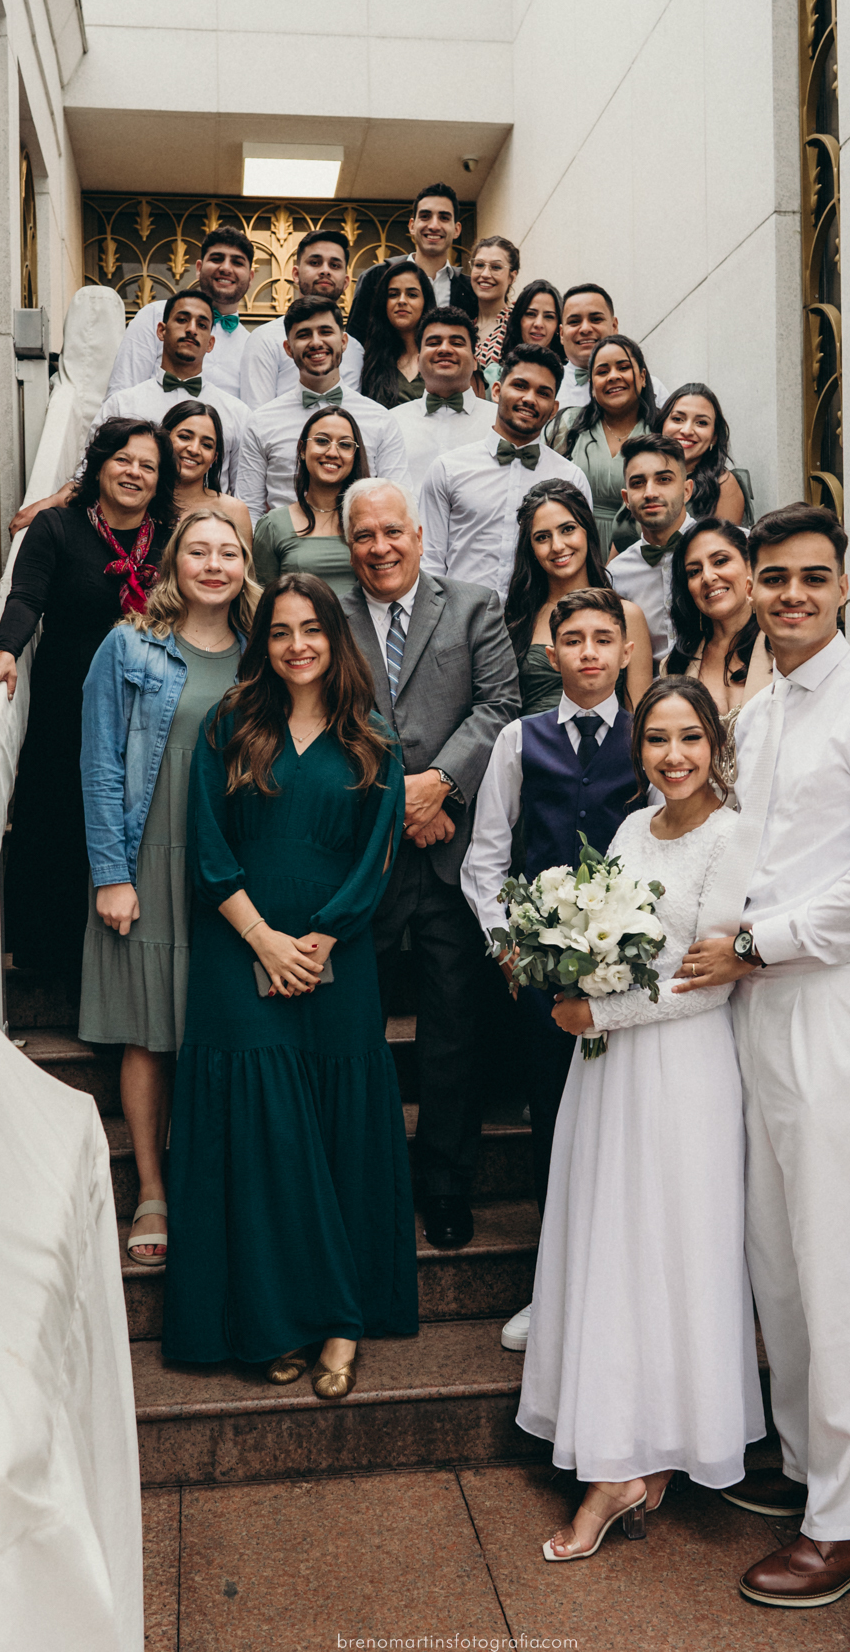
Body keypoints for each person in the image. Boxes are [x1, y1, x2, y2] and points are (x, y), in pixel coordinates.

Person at [673, 502, 850, 1609]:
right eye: (772, 576)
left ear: (842, 584)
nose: (788, 594)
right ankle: (804, 1466)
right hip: (758, 1008)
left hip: (838, 1002)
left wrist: (750, 943)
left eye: (809, 577)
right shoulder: (766, 706)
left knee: (839, 1265)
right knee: (776, 1256)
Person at [518, 675, 765, 1560]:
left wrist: (602, 1013)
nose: (673, 756)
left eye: (690, 738)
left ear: (715, 744)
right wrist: (565, 966)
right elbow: (608, 938)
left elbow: (705, 979)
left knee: (673, 1247)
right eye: (657, 739)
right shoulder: (629, 828)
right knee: (614, 1245)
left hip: (682, 1072)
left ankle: (643, 1455)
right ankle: (625, 1445)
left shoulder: (733, 838)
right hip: (609, 1077)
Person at [161, 573, 418, 1396]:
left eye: (312, 629)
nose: (297, 644)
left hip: (334, 962)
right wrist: (265, 942)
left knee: (338, 1134)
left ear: (336, 639)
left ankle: (342, 1320)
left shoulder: (375, 740)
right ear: (261, 642)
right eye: (280, 631)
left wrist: (315, 943)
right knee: (264, 1139)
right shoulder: (228, 725)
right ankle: (272, 1318)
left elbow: (374, 861)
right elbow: (207, 849)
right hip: (240, 953)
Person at [461, 588, 649, 1354]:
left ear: (627, 650)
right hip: (545, 980)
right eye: (574, 640)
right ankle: (556, 1290)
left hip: (635, 977)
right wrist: (511, 947)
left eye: (605, 639)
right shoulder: (519, 740)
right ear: (551, 653)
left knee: (633, 1130)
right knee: (555, 1128)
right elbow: (487, 857)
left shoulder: (650, 737)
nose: (591, 654)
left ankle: (634, 1287)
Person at [339, 480, 520, 1249]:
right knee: (357, 1029)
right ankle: (365, 1178)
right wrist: (397, 802)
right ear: (349, 545)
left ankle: (445, 1185)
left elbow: (500, 702)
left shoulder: (475, 604)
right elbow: (318, 711)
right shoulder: (327, 611)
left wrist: (439, 785)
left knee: (452, 1031)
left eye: (391, 532)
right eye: (364, 536)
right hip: (363, 857)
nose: (380, 548)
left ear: (419, 534)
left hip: (452, 854)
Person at [79, 507, 256, 1265]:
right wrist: (111, 874)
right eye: (199, 552)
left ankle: (208, 1182)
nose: (214, 565)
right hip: (148, 854)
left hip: (234, 866)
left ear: (248, 565)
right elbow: (99, 764)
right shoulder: (130, 647)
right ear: (173, 564)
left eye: (229, 553)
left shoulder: (264, 656)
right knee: (152, 1032)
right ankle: (151, 1189)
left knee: (219, 1031)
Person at [0, 418, 177, 972]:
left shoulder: (174, 537)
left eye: (148, 466)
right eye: (123, 459)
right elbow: (27, 595)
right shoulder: (58, 527)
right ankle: (52, 959)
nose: (134, 473)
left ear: (160, 480)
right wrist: (7, 649)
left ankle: (128, 962)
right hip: (70, 701)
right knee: (59, 817)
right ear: (101, 464)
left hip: (149, 705)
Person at [12, 290, 253, 532]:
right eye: (182, 319)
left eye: (202, 324)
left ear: (210, 342)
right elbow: (89, 473)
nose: (191, 329)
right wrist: (51, 502)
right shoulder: (123, 405)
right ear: (161, 330)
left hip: (204, 535)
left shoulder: (236, 414)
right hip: (129, 534)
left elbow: (241, 490)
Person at [419, 345, 592, 600]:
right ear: (497, 391)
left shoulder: (571, 479)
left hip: (537, 626)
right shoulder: (447, 469)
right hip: (460, 623)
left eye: (543, 393)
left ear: (554, 409)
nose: (530, 399)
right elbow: (430, 560)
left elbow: (579, 565)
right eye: (520, 386)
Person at [234, 296, 410, 520]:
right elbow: (249, 509)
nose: (316, 342)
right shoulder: (261, 422)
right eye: (304, 334)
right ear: (288, 348)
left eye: (325, 332)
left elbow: (400, 500)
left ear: (344, 342)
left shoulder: (380, 419)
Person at [504, 479, 652, 716]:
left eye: (568, 529)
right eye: (542, 537)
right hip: (533, 749)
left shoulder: (627, 614)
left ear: (587, 531)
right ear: (530, 548)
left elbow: (640, 717)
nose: (557, 546)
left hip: (610, 749)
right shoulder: (518, 618)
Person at [663, 518, 773, 777]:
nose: (708, 577)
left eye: (720, 561)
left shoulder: (783, 646)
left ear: (750, 565)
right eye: (694, 571)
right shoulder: (674, 665)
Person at [546, 334, 666, 556]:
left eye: (623, 367)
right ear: (592, 385)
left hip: (639, 552)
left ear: (642, 377)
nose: (613, 376)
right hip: (572, 550)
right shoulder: (568, 425)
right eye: (602, 371)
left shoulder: (664, 429)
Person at [106, 224, 254, 399]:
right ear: (198, 268)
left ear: (250, 277)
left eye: (237, 262)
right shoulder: (155, 315)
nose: (226, 268)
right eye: (216, 259)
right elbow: (121, 391)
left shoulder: (251, 345)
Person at [250, 406, 370, 596]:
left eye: (345, 445)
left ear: (355, 456)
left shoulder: (369, 521)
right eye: (322, 441)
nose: (332, 452)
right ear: (302, 449)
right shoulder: (274, 525)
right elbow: (262, 603)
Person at [238, 229, 364, 408]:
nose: (325, 271)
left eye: (334, 265)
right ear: (295, 274)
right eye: (315, 262)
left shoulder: (355, 349)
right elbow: (257, 416)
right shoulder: (264, 339)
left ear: (345, 282)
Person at [346, 182, 477, 346]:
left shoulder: (470, 290)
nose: (434, 225)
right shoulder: (377, 278)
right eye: (425, 216)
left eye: (444, 218)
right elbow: (354, 345)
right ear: (412, 226)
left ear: (457, 230)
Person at [606, 437, 695, 667]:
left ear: (687, 490)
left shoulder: (729, 548)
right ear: (626, 499)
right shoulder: (617, 575)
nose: (650, 492)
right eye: (638, 483)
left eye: (664, 479)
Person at [394, 307, 498, 496]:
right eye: (434, 342)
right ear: (418, 361)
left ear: (475, 361)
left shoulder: (498, 422)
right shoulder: (392, 422)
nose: (444, 349)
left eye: (457, 343)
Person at [554, 284, 668, 412]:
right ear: (562, 333)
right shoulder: (547, 389)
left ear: (614, 326)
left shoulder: (652, 387)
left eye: (596, 319)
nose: (585, 329)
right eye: (574, 321)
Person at [164, 399, 253, 547]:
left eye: (206, 445)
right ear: (164, 438)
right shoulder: (143, 500)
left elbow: (245, 569)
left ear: (214, 457)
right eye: (185, 437)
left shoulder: (233, 510)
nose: (194, 449)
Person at [659, 383, 747, 525]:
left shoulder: (723, 484)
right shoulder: (643, 471)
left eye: (701, 423)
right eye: (677, 419)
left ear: (714, 436)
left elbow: (722, 545)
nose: (687, 430)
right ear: (662, 424)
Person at [358, 261, 436, 408]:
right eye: (393, 294)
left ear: (425, 301)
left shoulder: (441, 355)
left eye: (412, 295)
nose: (401, 301)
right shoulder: (370, 360)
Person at [468, 234, 520, 392]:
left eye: (496, 267)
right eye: (479, 265)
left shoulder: (519, 322)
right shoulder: (465, 327)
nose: (485, 274)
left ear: (512, 276)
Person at [499, 279, 565, 368]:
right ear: (518, 319)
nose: (538, 324)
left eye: (549, 316)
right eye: (530, 314)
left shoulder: (570, 377)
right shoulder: (496, 374)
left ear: (558, 326)